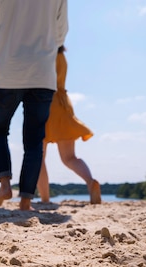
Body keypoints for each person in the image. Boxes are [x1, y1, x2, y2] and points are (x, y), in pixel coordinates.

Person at [0, 0, 68, 211]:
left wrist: (7, 47)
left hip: (8, 71)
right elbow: (60, 34)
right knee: (34, 140)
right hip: (43, 72)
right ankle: (26, 200)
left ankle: (4, 186)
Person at [37, 46, 101, 204]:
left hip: (44, 103)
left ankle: (45, 199)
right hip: (62, 103)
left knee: (38, 158)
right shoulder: (60, 55)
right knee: (69, 157)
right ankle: (90, 182)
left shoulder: (41, 53)